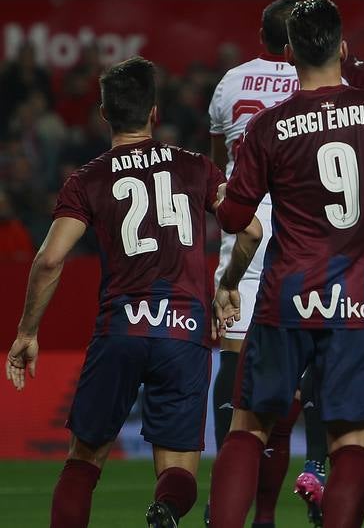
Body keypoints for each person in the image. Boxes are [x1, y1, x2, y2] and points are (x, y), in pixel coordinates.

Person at [208, 0, 364, 528]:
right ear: (344, 48)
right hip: (359, 294)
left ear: (289, 56)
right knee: (351, 438)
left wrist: (226, 196)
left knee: (249, 426)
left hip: (286, 291)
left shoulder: (268, 126)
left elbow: (235, 213)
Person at [4, 57, 254, 528]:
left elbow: (50, 258)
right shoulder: (197, 167)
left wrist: (26, 332)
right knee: (179, 471)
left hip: (121, 327)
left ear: (104, 114)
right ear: (154, 112)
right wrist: (227, 285)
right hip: (184, 331)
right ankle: (163, 511)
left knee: (83, 460)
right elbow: (251, 229)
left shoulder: (88, 179)